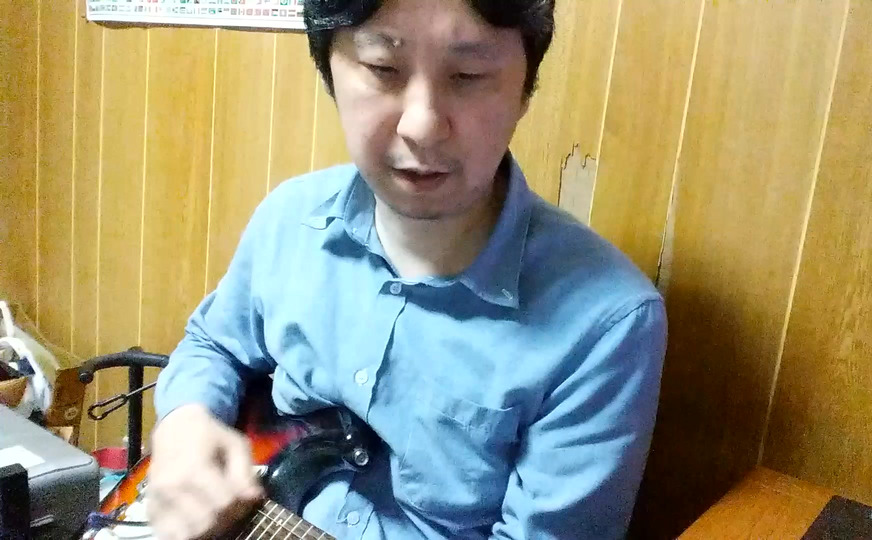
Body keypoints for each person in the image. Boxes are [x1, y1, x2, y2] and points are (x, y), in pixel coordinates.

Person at [147, 0, 667, 538]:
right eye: (382, 68)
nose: (422, 126)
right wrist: (187, 422)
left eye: (468, 75)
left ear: (524, 92)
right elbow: (214, 344)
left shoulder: (608, 324)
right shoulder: (292, 217)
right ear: (329, 73)